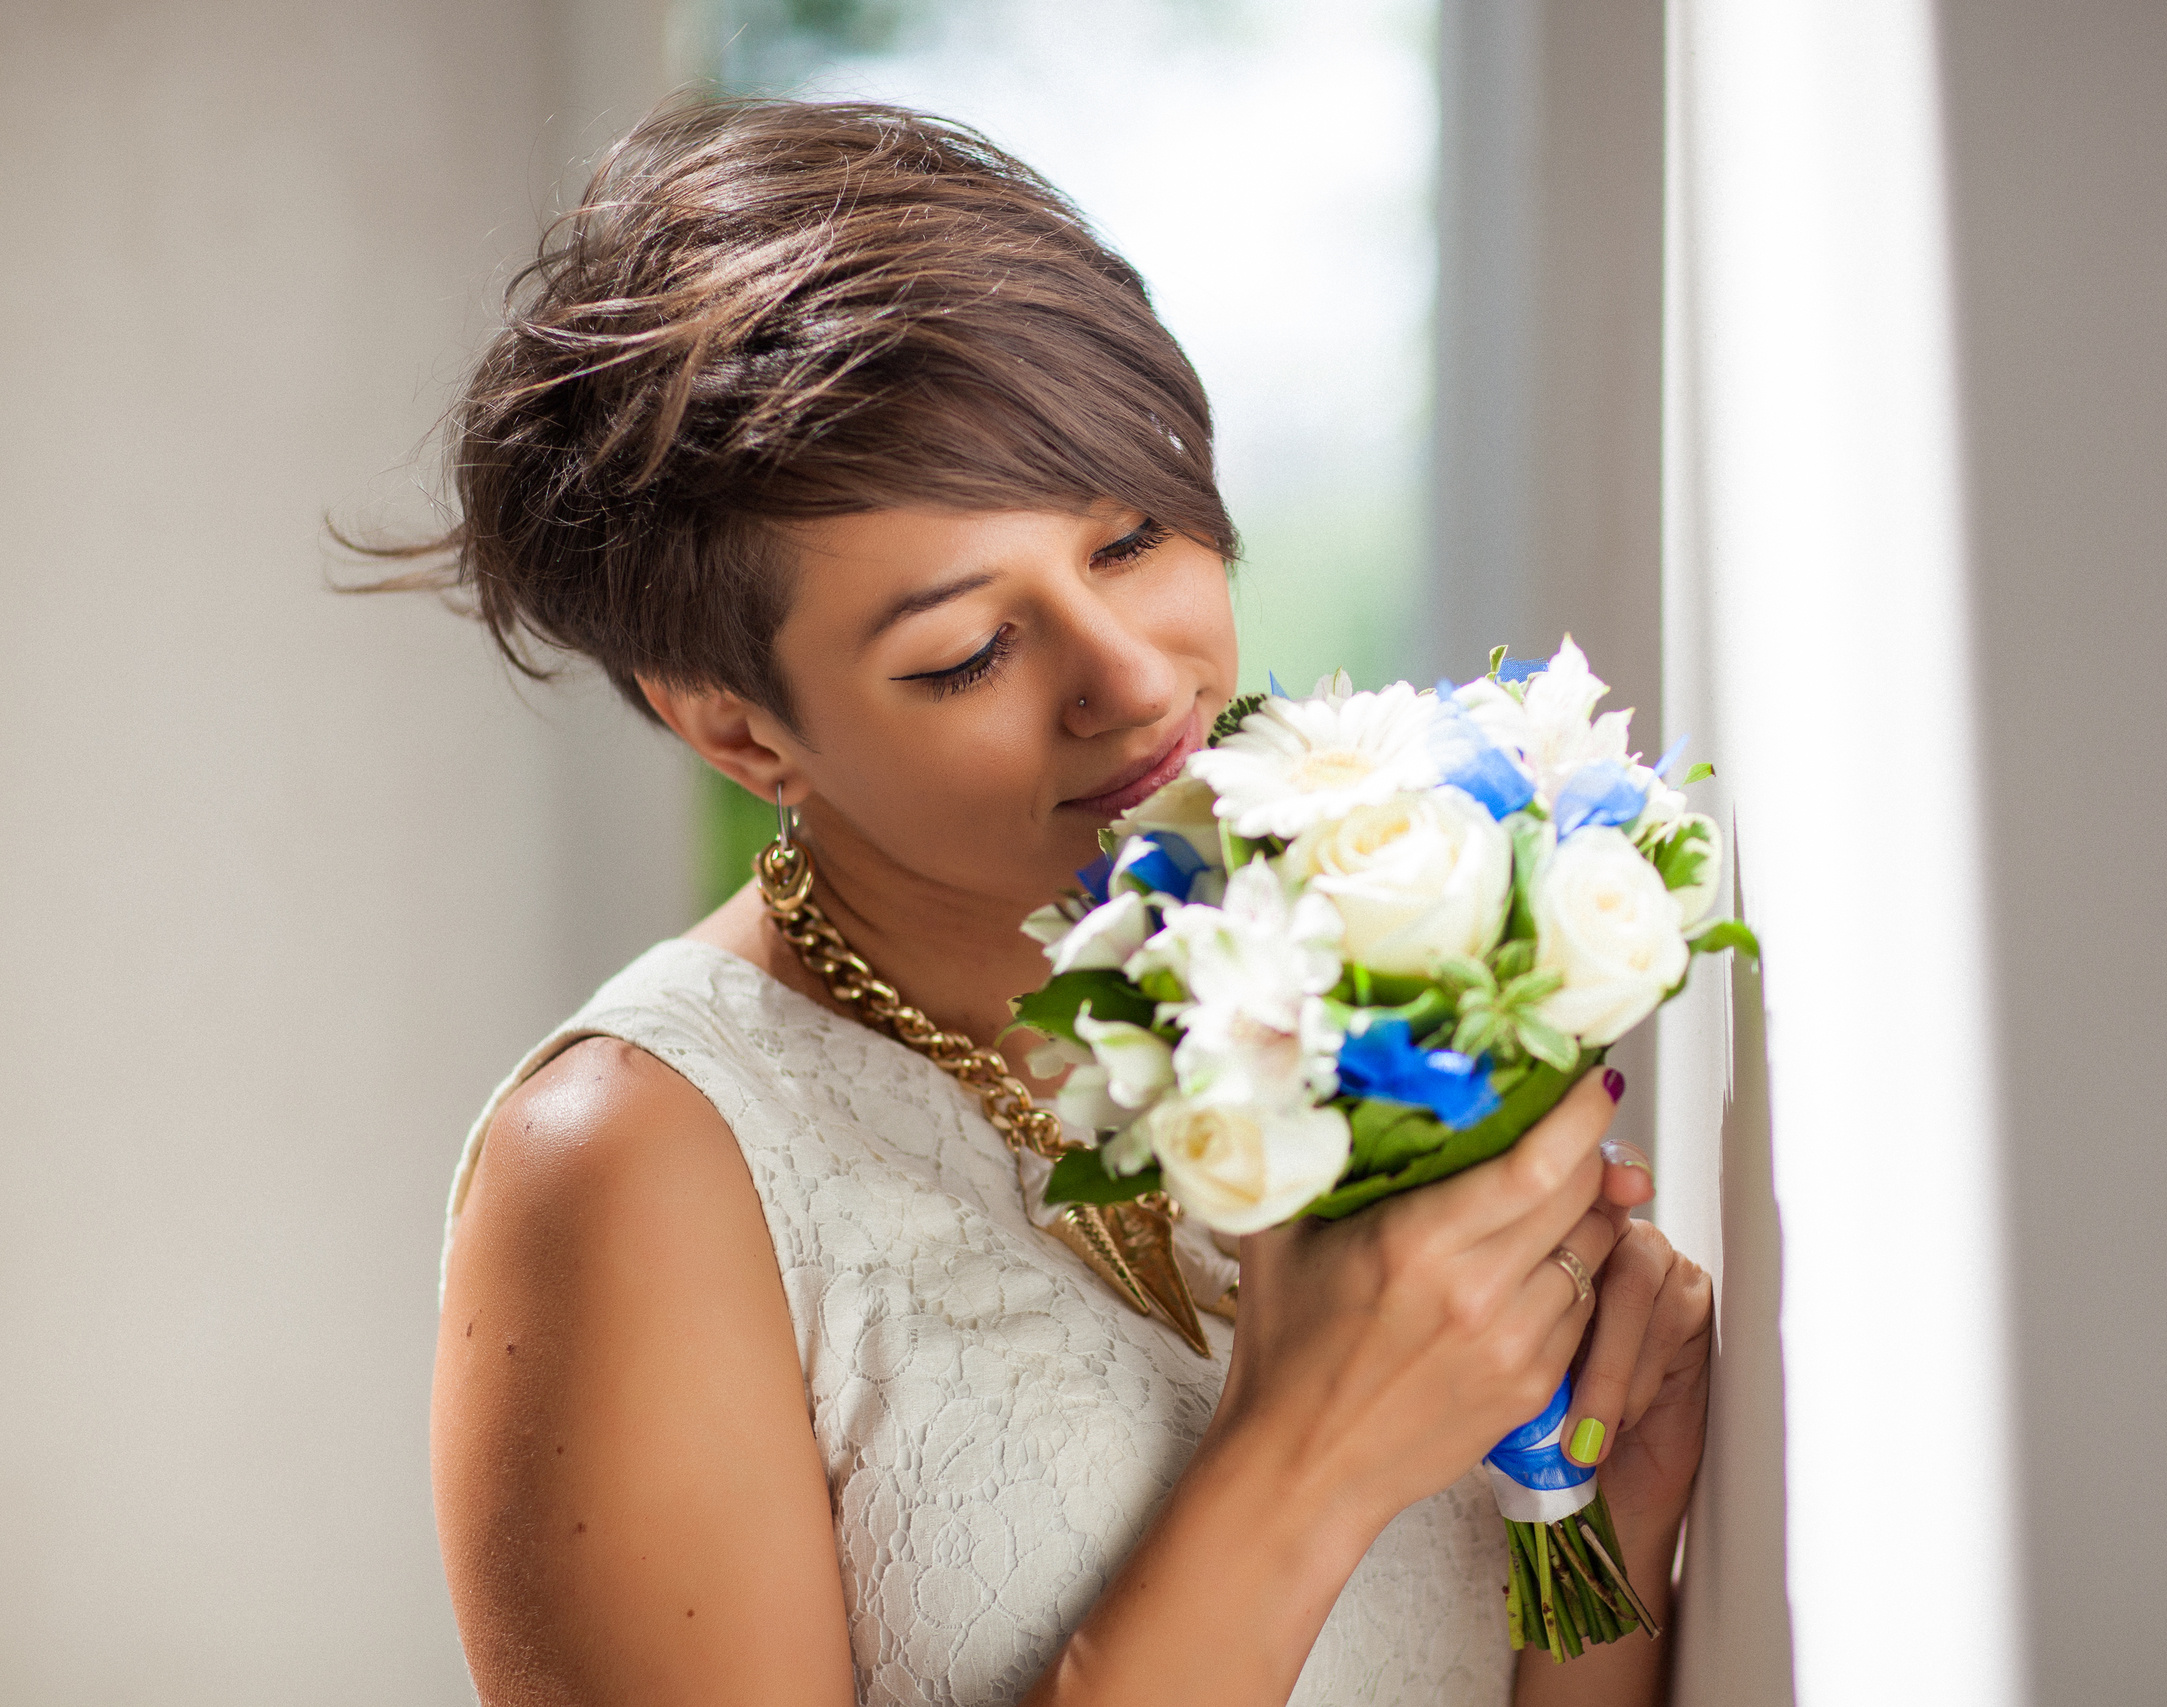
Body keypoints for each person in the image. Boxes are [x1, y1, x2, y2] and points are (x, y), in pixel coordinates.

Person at [416, 99, 1714, 1707]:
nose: (1132, 678)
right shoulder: (631, 1165)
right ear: (736, 726)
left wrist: (1607, 1515)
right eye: (966, 651)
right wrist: (1303, 1462)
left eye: (1135, 534)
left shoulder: (1346, 980)